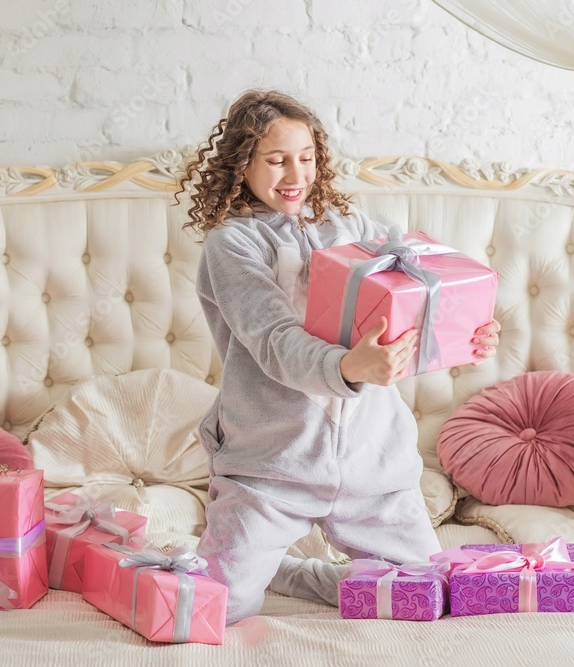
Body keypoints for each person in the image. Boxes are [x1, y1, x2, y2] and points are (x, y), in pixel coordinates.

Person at [176, 89, 501, 624]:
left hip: (373, 463)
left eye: (306, 157)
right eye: (276, 159)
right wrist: (350, 367)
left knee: (421, 597)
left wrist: (472, 331)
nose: (294, 173)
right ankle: (249, 569)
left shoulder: (357, 232)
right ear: (242, 163)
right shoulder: (232, 245)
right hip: (271, 463)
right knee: (212, 609)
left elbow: (423, 298)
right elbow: (274, 340)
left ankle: (297, 576)